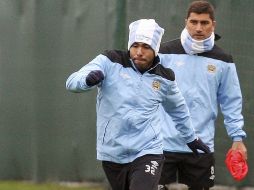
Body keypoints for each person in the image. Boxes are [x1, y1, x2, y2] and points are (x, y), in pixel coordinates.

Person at [66, 19, 210, 190]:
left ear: (155, 49)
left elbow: (178, 110)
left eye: (146, 47)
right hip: (112, 153)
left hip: (148, 150)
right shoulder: (109, 61)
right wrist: (87, 80)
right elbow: (71, 82)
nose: (139, 52)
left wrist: (191, 138)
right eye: (135, 45)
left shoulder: (165, 78)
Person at [158, 1, 247, 190]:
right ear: (186, 22)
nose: (198, 28)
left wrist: (237, 138)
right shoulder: (164, 53)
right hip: (162, 145)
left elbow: (231, 102)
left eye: (204, 23)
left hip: (201, 147)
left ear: (213, 24)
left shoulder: (223, 60)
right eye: (194, 22)